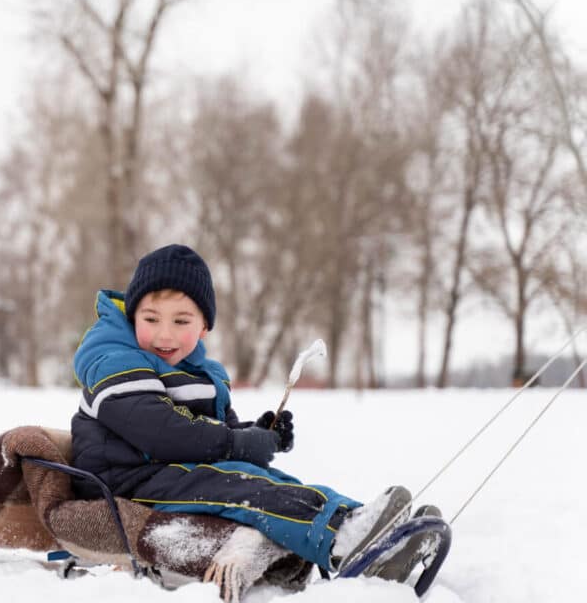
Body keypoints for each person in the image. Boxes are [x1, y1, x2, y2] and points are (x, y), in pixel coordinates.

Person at [70, 244, 424, 578]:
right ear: (133, 316)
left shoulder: (198, 372)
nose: (164, 334)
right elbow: (158, 430)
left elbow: (211, 430)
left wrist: (258, 434)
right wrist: (235, 445)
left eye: (181, 322)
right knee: (241, 486)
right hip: (125, 481)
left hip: (170, 471)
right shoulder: (113, 358)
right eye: (151, 319)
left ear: (203, 327)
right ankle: (344, 540)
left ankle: (360, 523)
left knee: (268, 480)